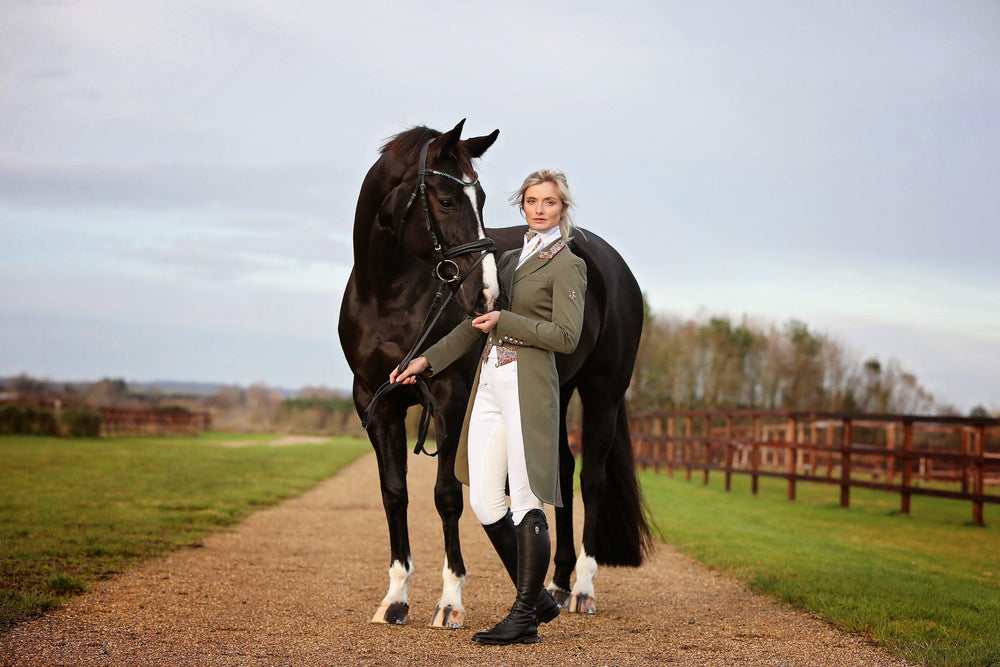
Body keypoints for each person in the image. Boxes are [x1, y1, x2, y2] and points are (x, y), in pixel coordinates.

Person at [391, 169, 587, 645]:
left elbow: (566, 336)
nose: (540, 209)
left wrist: (508, 319)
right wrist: (426, 360)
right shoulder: (508, 260)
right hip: (490, 382)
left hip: (529, 383)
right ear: (521, 206)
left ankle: (524, 616)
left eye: (550, 202)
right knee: (482, 498)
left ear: (563, 210)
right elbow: (476, 325)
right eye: (532, 201)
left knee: (523, 499)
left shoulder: (568, 265)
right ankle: (537, 596)